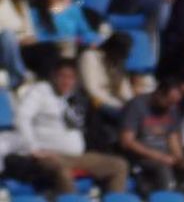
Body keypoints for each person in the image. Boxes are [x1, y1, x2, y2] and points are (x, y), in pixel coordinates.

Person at [13, 58, 128, 194]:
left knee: (118, 165)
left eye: (71, 78)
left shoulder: (76, 97)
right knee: (63, 172)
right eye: (63, 76)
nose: (66, 81)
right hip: (49, 156)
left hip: (76, 156)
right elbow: (21, 118)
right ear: (54, 76)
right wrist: (33, 148)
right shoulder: (41, 91)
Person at [118, 75, 184, 194]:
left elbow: (173, 137)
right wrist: (160, 157)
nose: (171, 106)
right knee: (164, 170)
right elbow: (127, 142)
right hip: (143, 157)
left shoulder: (172, 109)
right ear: (159, 93)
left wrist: (179, 158)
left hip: (166, 156)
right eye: (169, 102)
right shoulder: (136, 105)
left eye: (174, 103)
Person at [30, 0, 99, 70]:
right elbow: (36, 38)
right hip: (49, 54)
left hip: (75, 51)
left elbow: (86, 32)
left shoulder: (72, 10)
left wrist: (91, 40)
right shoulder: (34, 12)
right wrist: (61, 40)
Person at [0, 0, 37, 79]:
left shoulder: (19, 4)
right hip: (3, 48)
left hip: (22, 49)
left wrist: (18, 41)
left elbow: (31, 35)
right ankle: (18, 77)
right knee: (8, 36)